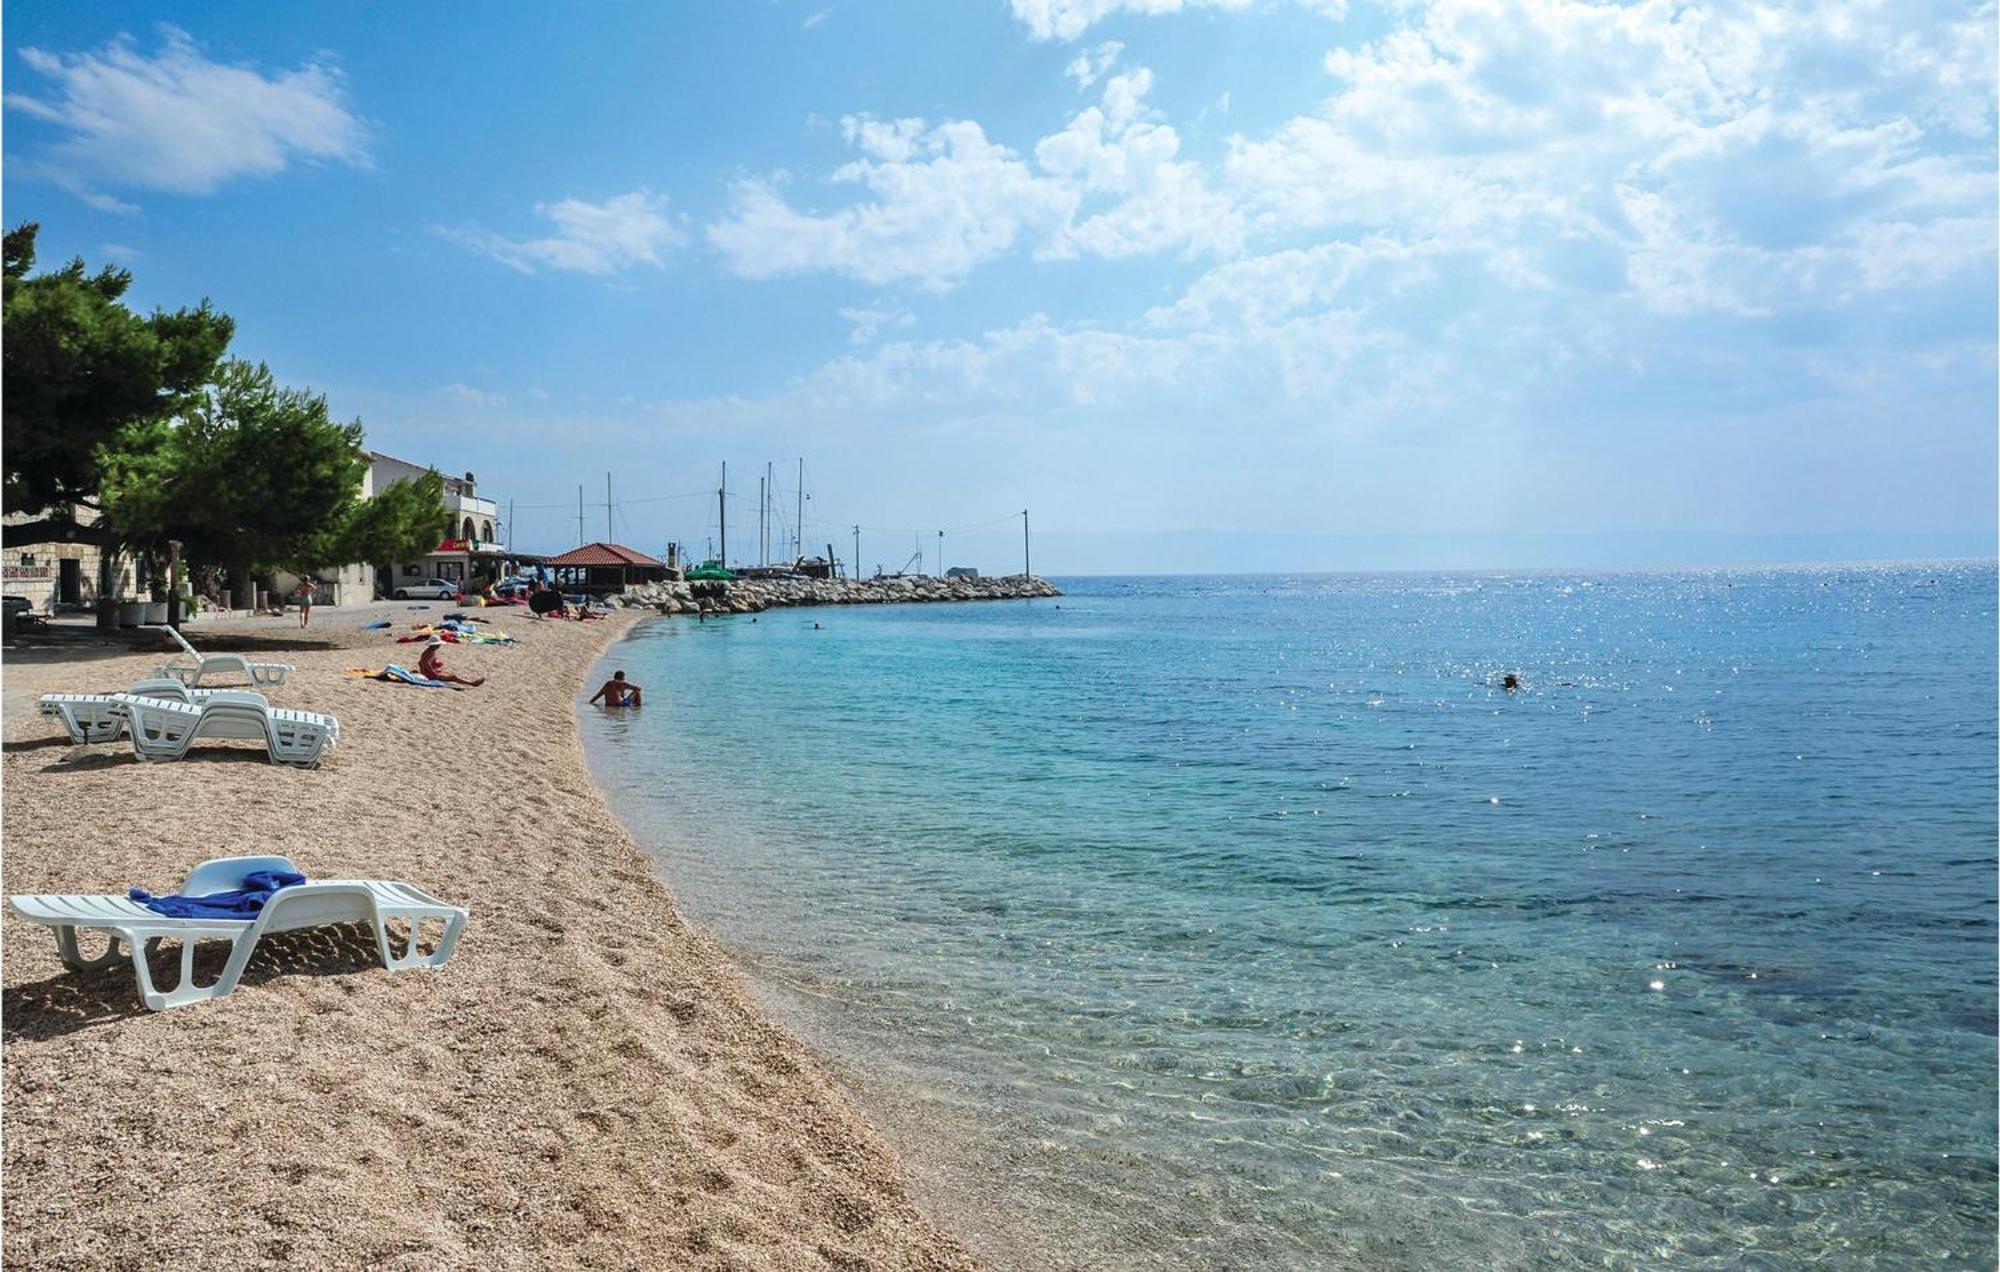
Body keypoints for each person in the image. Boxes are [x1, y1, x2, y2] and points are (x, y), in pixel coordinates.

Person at [417, 636, 484, 687]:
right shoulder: (429, 653)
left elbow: (423, 663)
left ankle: (471, 683)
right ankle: (471, 683)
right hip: (430, 675)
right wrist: (434, 673)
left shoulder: (430, 652)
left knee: (451, 677)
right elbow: (425, 664)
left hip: (430, 673)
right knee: (453, 677)